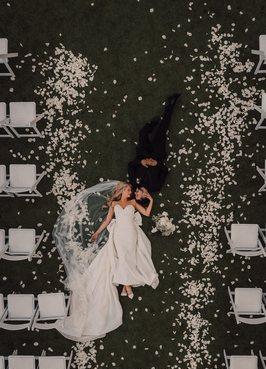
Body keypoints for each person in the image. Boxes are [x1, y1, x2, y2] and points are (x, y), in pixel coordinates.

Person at [55, 182, 159, 341]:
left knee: (128, 257)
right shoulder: (115, 204)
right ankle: (127, 286)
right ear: (122, 191)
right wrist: (97, 232)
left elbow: (146, 213)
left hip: (130, 234)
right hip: (118, 235)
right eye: (127, 189)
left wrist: (150, 199)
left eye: (130, 190)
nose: (129, 192)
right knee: (122, 257)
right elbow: (107, 220)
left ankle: (126, 286)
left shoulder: (132, 203)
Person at [128, 93, 181, 194]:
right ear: (145, 197)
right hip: (157, 154)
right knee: (162, 130)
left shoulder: (134, 183)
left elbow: (130, 165)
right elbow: (165, 171)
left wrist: (141, 161)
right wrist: (156, 164)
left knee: (143, 132)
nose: (137, 193)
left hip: (143, 152)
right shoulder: (156, 187)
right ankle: (171, 104)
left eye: (136, 195)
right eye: (138, 196)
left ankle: (153, 124)